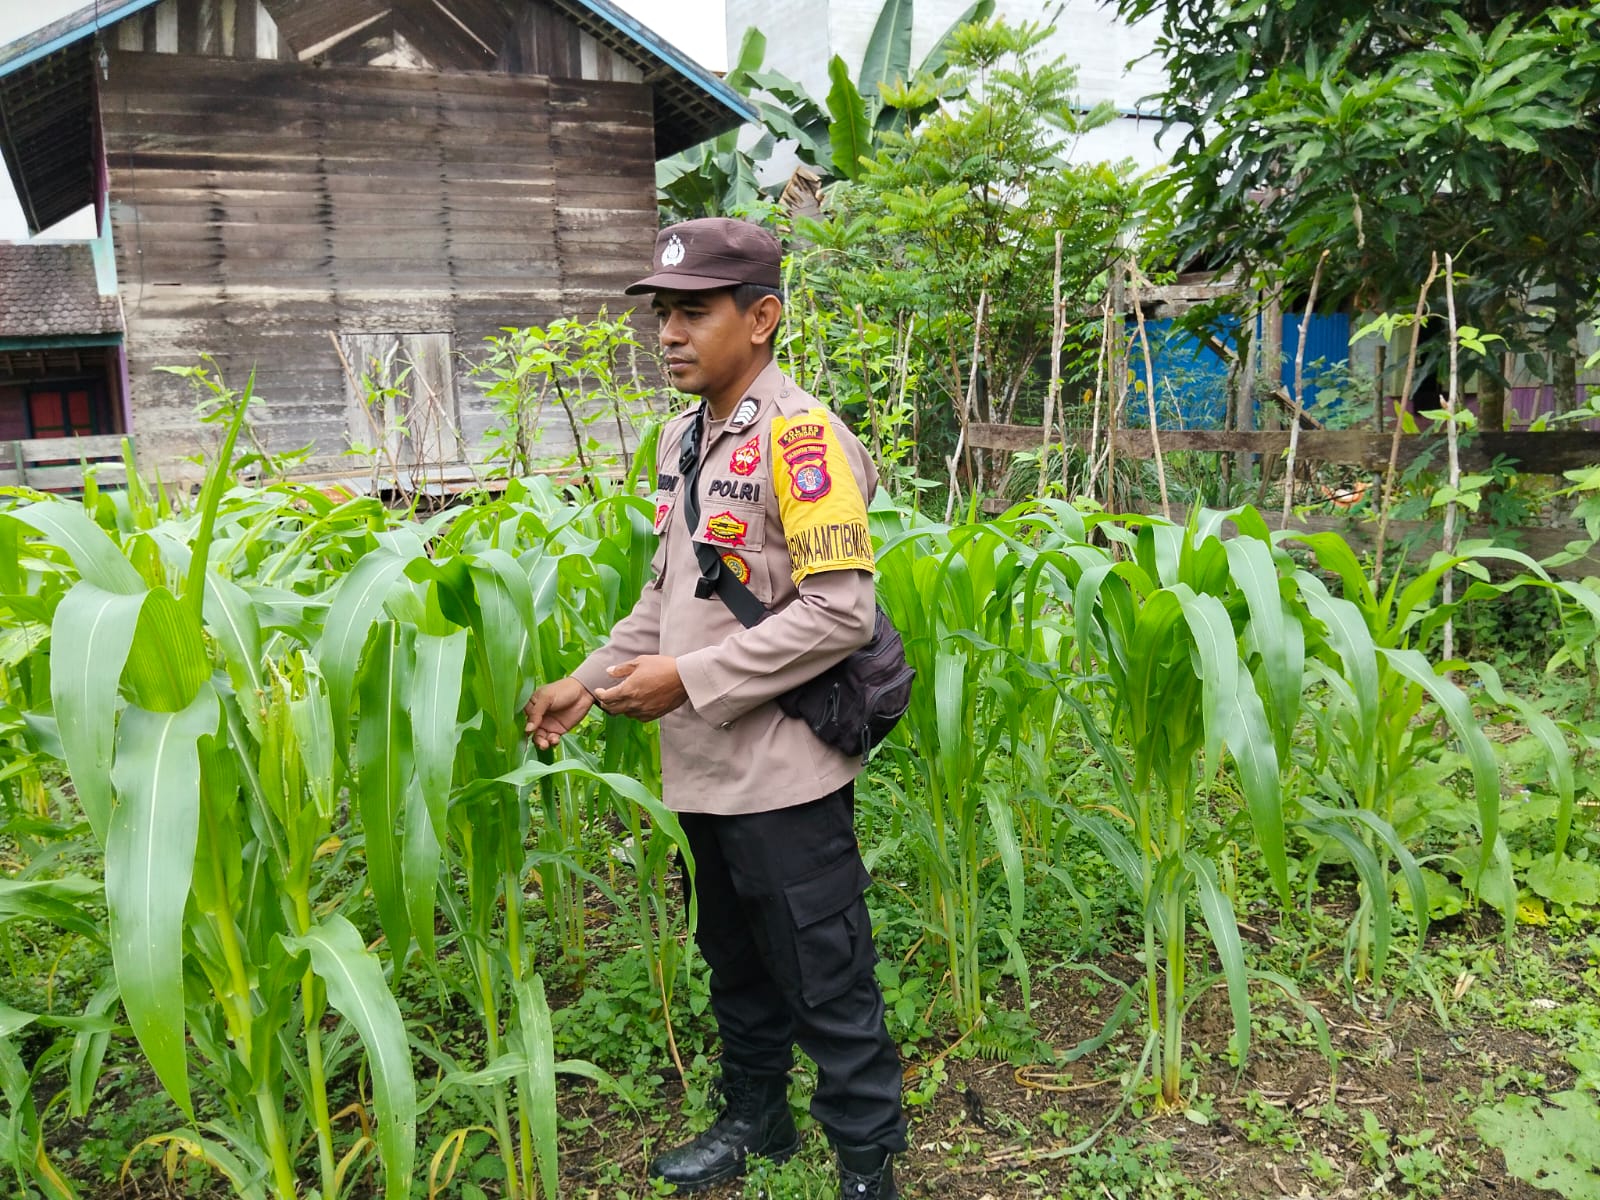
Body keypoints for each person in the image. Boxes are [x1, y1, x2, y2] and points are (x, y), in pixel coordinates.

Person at [524, 217, 906, 1199]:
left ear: (763, 317)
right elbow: (671, 597)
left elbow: (839, 613)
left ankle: (866, 1158)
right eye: (662, 314)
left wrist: (685, 681)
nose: (669, 334)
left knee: (822, 972)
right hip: (697, 771)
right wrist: (587, 677)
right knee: (732, 962)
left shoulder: (804, 440)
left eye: (694, 312)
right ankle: (757, 1121)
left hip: (780, 774)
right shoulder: (682, 437)